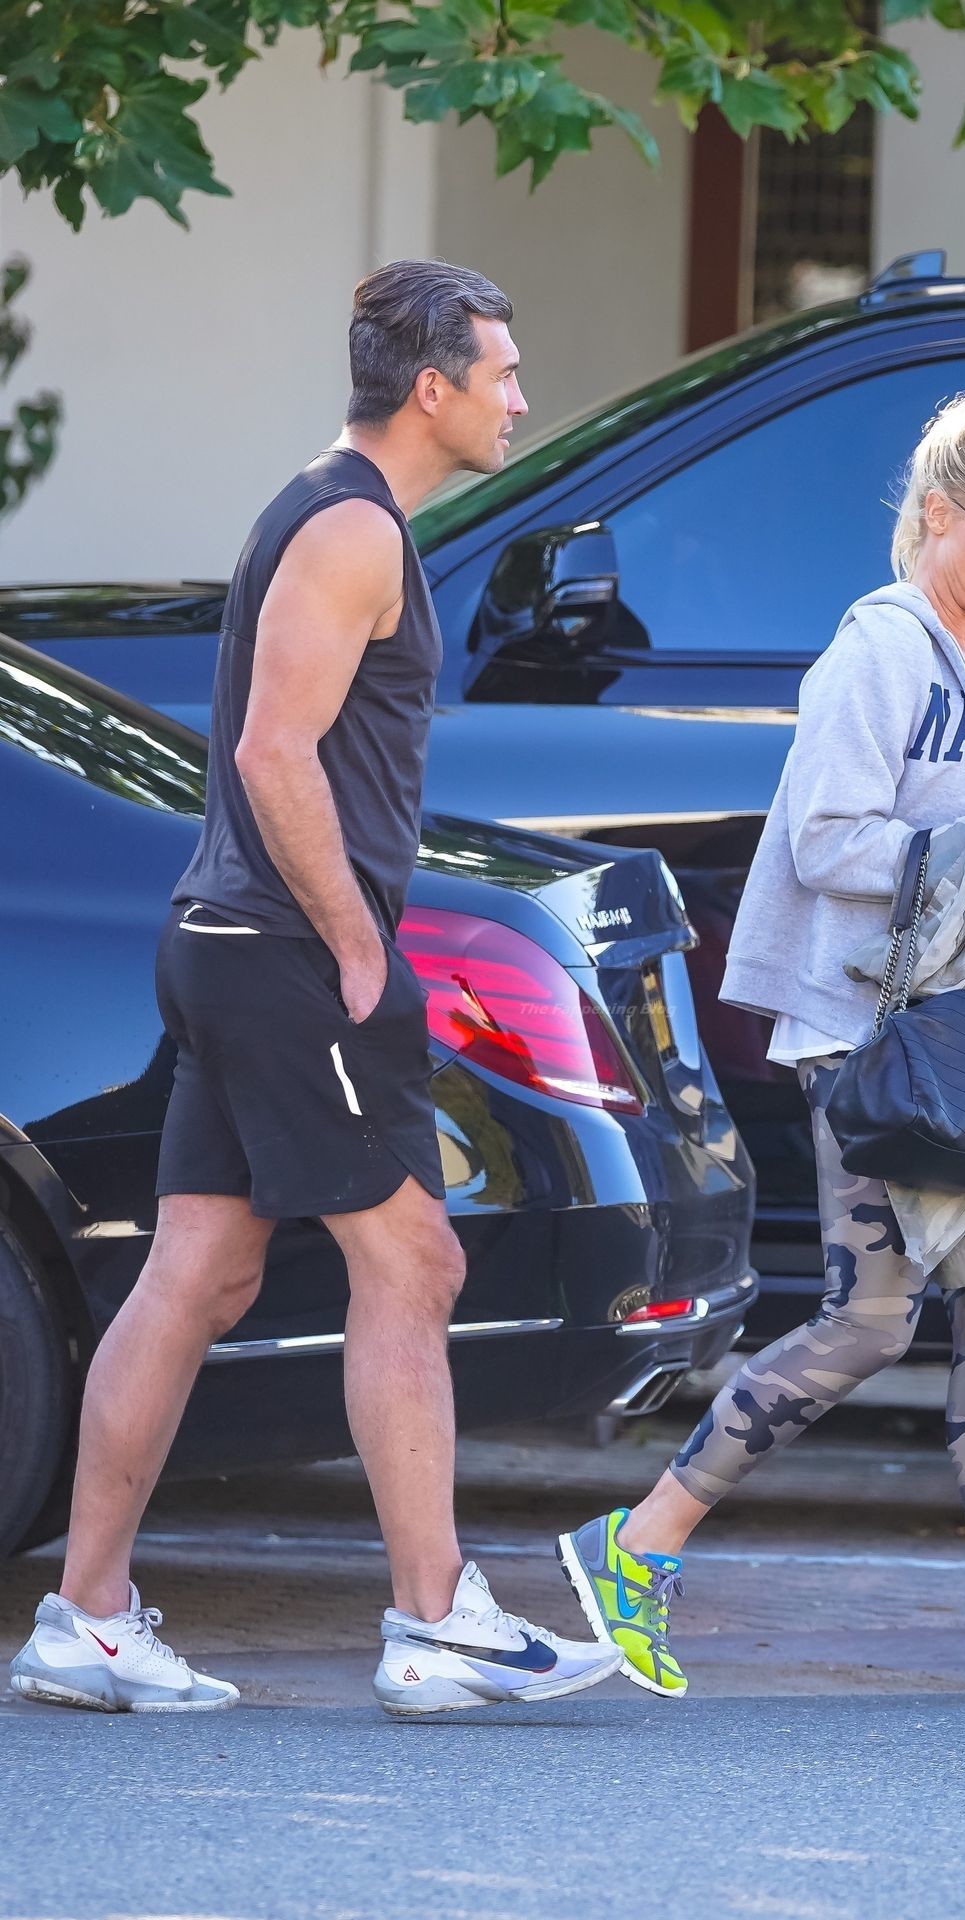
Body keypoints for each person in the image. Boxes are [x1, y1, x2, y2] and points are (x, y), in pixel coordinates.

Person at [10, 260, 619, 1718]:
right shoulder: (351, 529)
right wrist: (355, 945)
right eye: (502, 374)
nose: (520, 399)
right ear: (434, 388)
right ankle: (436, 1621)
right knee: (416, 1263)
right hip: (284, 953)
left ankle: (89, 1619)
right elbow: (274, 752)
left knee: (199, 1273)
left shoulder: (330, 506)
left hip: (237, 945)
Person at [557, 388, 965, 1701]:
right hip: (879, 1036)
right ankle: (636, 1544)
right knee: (869, 1322)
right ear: (939, 515)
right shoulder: (881, 647)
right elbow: (825, 840)